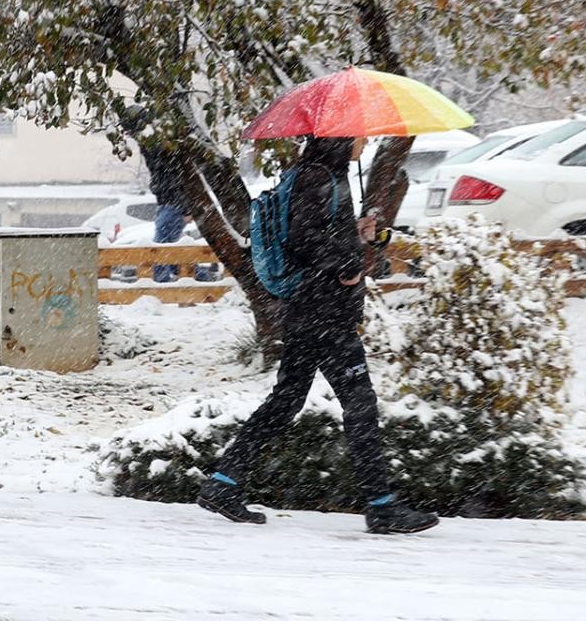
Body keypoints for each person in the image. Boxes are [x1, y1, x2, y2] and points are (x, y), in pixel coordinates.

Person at [197, 136, 439, 535]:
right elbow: (302, 238)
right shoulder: (317, 178)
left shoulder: (322, 175)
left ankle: (223, 482)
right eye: (359, 136)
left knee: (287, 399)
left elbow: (316, 233)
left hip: (310, 311)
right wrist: (346, 261)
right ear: (340, 139)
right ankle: (380, 505)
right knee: (360, 403)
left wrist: (358, 234)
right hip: (324, 313)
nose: (364, 141)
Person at [141, 142, 191, 283]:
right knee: (170, 249)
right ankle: (199, 277)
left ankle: (161, 282)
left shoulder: (167, 154)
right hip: (168, 204)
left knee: (160, 247)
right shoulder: (159, 153)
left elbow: (178, 180)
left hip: (173, 205)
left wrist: (187, 209)